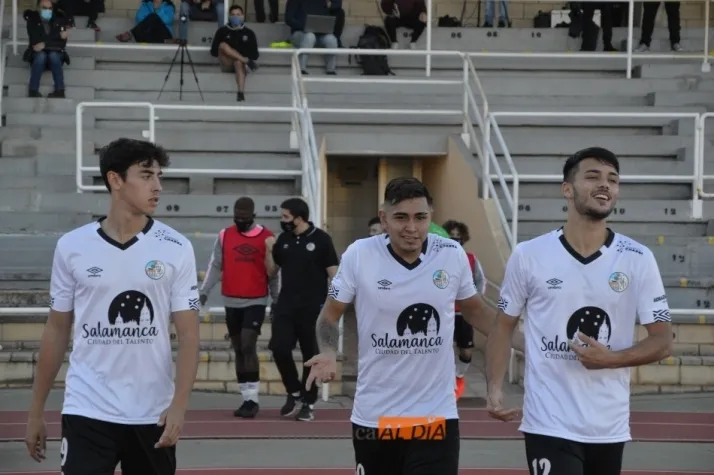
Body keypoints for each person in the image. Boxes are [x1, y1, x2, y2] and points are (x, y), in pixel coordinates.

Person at [304, 177, 524, 475]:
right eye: (401, 218)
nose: (412, 227)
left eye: (420, 217)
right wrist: (329, 352)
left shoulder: (451, 254)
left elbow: (478, 312)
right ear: (384, 219)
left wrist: (529, 343)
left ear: (430, 216)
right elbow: (329, 315)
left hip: (435, 416)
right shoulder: (359, 254)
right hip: (376, 417)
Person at [485, 147, 673, 475]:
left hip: (608, 425)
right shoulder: (529, 254)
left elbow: (663, 340)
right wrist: (495, 387)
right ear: (567, 189)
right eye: (593, 177)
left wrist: (611, 359)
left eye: (612, 179)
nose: (605, 185)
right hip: (548, 422)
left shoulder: (637, 258)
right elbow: (503, 325)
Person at [24, 138, 201, 475]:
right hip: (87, 408)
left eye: (159, 176)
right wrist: (36, 412)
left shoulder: (176, 247)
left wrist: (179, 405)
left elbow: (189, 336)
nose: (158, 186)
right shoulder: (72, 246)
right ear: (115, 179)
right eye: (146, 176)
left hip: (152, 413)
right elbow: (56, 330)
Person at [199, 197, 278, 418]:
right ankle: (246, 397)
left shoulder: (267, 237)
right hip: (231, 300)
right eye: (237, 217)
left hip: (256, 300)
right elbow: (215, 265)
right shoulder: (225, 235)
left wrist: (276, 299)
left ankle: (253, 400)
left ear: (253, 216)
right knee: (238, 348)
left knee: (247, 344)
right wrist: (204, 292)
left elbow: (274, 272)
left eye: (245, 218)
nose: (240, 221)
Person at [270, 197, 339, 421]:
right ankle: (294, 391)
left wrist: (334, 305)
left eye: (286, 217)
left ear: (299, 218)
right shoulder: (283, 239)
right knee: (279, 348)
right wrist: (269, 250)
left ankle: (308, 402)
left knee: (311, 356)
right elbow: (271, 271)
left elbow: (334, 274)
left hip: (312, 308)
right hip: (286, 305)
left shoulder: (321, 239)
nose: (283, 221)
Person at [443, 219, 486, 400]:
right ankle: (444, 383)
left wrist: (474, 300)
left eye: (458, 237)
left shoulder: (471, 258)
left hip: (464, 313)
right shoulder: (437, 258)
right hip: (444, 314)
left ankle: (458, 376)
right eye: (451, 236)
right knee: (442, 351)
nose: (455, 239)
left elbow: (480, 281)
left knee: (466, 352)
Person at [210, 5, 259, 102]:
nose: (236, 17)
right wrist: (230, 52)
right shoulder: (222, 31)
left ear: (243, 16)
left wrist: (237, 53)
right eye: (233, 15)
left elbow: (255, 55)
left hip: (240, 64)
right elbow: (214, 52)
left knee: (238, 62)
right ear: (229, 17)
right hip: (227, 63)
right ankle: (245, 60)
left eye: (238, 14)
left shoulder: (249, 33)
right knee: (223, 45)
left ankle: (240, 93)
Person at [24, 0, 69, 98]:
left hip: (55, 54)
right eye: (44, 8)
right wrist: (57, 37)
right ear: (38, 8)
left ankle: (60, 91)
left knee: (53, 55)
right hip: (38, 56)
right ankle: (33, 90)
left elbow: (62, 43)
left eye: (50, 8)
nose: (48, 10)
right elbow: (35, 40)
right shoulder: (32, 20)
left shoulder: (59, 20)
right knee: (41, 56)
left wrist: (45, 44)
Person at [285, 0, 341, 75]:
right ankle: (301, 69)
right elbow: (288, 19)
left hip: (319, 34)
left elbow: (334, 8)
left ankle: (331, 70)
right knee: (310, 36)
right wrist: (304, 26)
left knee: (331, 39)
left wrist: (325, 27)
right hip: (299, 33)